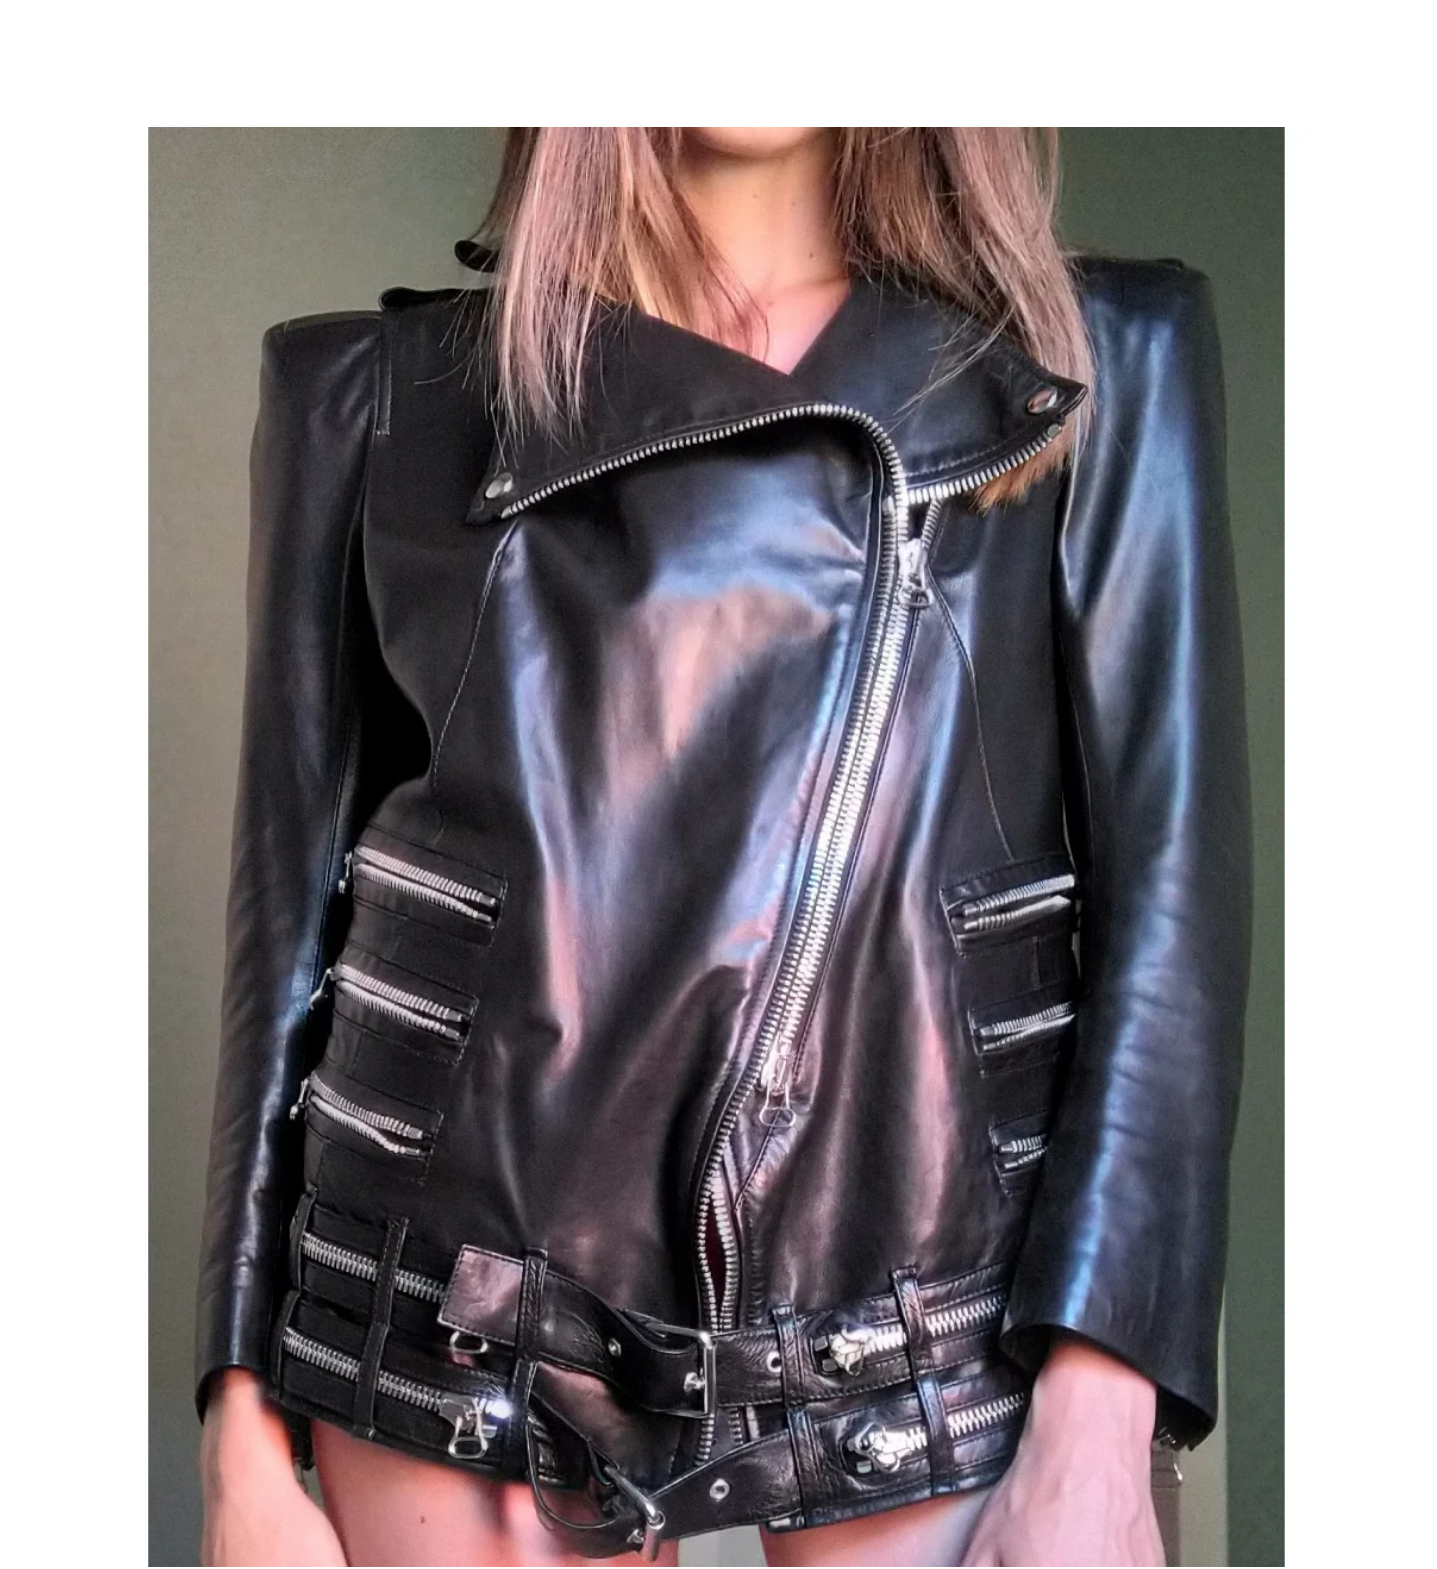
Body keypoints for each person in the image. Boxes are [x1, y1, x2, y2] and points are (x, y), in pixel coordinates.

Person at [195, 127, 1251, 1567]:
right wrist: (240, 1430)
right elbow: (286, 927)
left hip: (929, 1315)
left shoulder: (1089, 356)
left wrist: (1103, 1400)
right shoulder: (379, 395)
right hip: (456, 1310)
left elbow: (1171, 910)